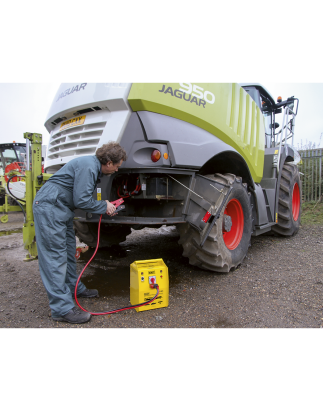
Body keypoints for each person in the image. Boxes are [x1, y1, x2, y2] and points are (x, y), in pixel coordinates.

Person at [33, 142, 127, 324]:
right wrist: (104, 206)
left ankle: (74, 288)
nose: (116, 169)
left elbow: (80, 197)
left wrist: (104, 204)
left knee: (68, 251)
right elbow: (82, 200)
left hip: (61, 209)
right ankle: (61, 309)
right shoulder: (89, 166)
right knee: (55, 257)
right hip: (51, 208)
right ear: (108, 162)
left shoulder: (91, 166)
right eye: (116, 166)